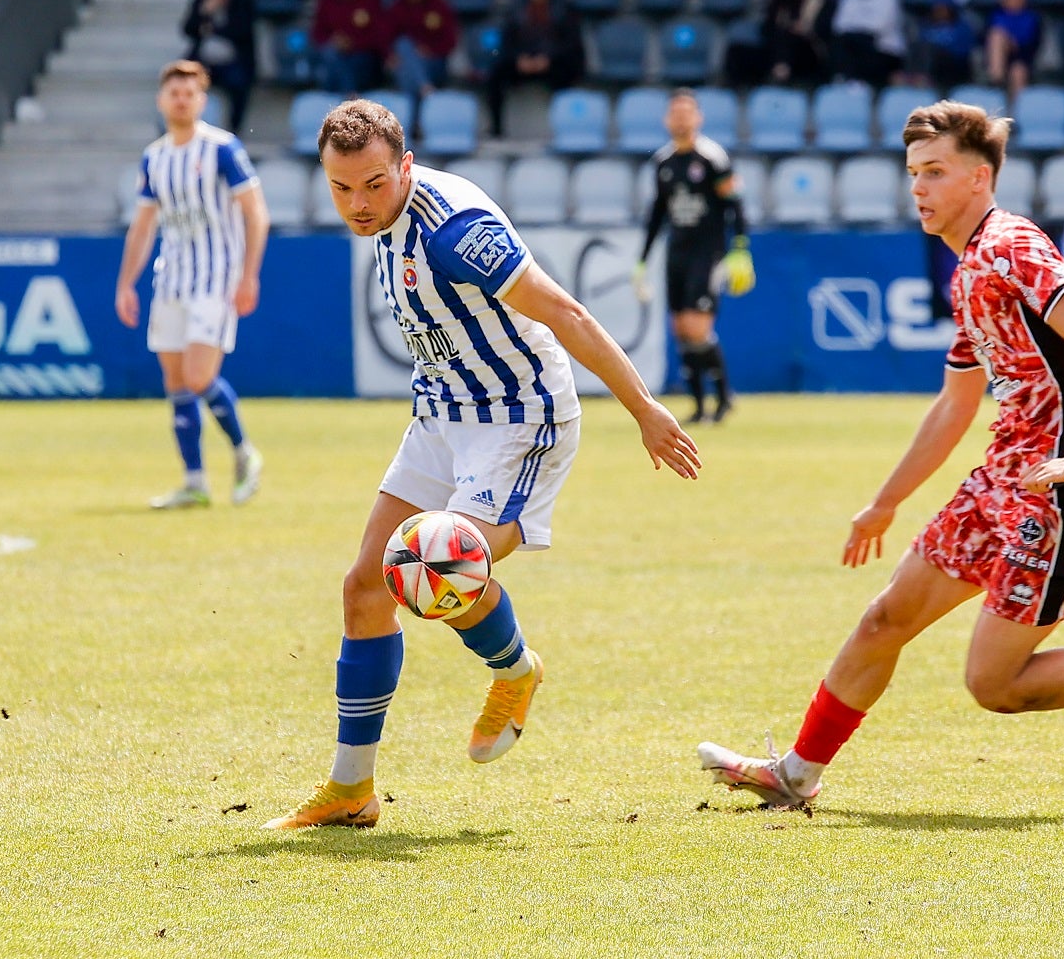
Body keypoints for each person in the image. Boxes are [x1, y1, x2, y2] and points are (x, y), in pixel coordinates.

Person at [697, 99, 1064, 808]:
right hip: (999, 479)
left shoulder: (1012, 245)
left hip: (1055, 490)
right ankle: (796, 774)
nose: (917, 187)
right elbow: (956, 402)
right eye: (912, 172)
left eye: (934, 172)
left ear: (980, 179)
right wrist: (884, 501)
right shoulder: (967, 269)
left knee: (994, 684)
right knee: (884, 620)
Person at [263, 99, 700, 829]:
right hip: (441, 414)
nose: (359, 204)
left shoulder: (457, 231)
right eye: (342, 189)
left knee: (440, 565)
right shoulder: (377, 212)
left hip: (519, 416)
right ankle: (350, 789)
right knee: (366, 587)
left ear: (404, 166)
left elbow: (568, 313)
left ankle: (515, 668)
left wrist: (644, 408)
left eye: (374, 184)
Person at [114, 60, 269, 510]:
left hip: (216, 280)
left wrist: (249, 274)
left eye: (190, 93)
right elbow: (143, 226)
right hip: (172, 281)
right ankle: (195, 481)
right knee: (176, 382)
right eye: (174, 93)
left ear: (202, 101)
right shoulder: (155, 156)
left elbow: (255, 211)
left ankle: (245, 452)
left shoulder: (222, 149)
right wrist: (127, 283)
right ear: (162, 100)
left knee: (200, 376)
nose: (181, 100)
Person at [633, 88, 754, 426]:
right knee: (680, 330)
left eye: (687, 112)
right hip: (678, 254)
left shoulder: (713, 158)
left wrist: (740, 249)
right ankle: (700, 406)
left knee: (697, 328)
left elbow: (736, 205)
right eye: (676, 113)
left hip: (708, 253)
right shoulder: (663, 162)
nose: (681, 119)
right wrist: (642, 260)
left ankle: (724, 395)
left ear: (698, 118)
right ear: (667, 120)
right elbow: (658, 213)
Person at [485, 0, 585, 138]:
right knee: (496, 73)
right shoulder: (517, 10)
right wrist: (519, 59)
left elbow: (571, 44)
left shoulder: (565, 10)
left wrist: (547, 58)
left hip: (553, 63)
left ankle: (566, 129)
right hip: (524, 63)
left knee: (566, 73)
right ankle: (496, 129)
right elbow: (506, 43)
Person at [181, 0, 257, 133]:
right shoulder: (200, 1)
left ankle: (234, 128)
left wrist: (213, 29)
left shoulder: (241, 1)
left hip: (234, 60)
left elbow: (242, 31)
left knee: (240, 82)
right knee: (184, 79)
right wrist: (204, 13)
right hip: (204, 62)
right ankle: (188, 125)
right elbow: (188, 29)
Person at [383, 0, 458, 104]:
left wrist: (430, 51)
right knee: (403, 45)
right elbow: (384, 38)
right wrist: (390, 56)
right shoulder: (397, 8)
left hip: (434, 62)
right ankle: (425, 88)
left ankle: (411, 118)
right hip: (405, 62)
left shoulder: (439, 6)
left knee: (406, 66)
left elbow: (451, 40)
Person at [310, 0, 386, 94]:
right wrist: (335, 41)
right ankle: (350, 93)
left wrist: (353, 43)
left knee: (337, 65)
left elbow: (380, 33)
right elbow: (318, 34)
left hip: (363, 56)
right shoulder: (326, 0)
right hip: (336, 55)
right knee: (330, 53)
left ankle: (348, 94)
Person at [829, 0, 905, 89]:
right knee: (840, 43)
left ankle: (856, 82)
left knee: (856, 41)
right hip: (854, 48)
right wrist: (857, 29)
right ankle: (846, 83)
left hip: (883, 52)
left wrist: (854, 28)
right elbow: (838, 26)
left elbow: (877, 27)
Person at [760, 0, 834, 86]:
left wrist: (806, 28)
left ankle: (782, 76)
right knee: (739, 51)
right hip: (778, 49)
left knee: (791, 38)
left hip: (810, 51)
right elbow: (766, 28)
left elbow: (826, 30)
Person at [983, 0, 1042, 100]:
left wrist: (1015, 45)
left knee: (1018, 72)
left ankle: (1016, 115)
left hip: (1021, 58)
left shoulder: (1031, 17)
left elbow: (1033, 44)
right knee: (997, 35)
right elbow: (984, 39)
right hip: (996, 57)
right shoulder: (995, 16)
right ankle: (996, 81)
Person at [908, 0, 975, 92]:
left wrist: (941, 49)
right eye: (937, 8)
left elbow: (963, 51)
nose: (940, 11)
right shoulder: (927, 27)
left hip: (954, 65)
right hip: (932, 64)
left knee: (934, 52)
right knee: (919, 47)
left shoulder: (961, 27)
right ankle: (912, 76)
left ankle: (925, 78)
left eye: (943, 8)